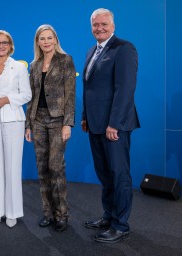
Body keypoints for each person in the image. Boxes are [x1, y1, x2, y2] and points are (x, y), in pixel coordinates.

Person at [82, 8, 140, 243]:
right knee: (105, 175)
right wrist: (85, 116)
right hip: (95, 125)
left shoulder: (123, 49)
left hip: (115, 126)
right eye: (96, 25)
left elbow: (125, 89)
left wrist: (114, 123)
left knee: (119, 175)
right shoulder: (91, 51)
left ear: (113, 26)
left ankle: (121, 224)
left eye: (104, 24)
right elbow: (90, 89)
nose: (100, 28)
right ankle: (109, 215)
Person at [25, 24, 76, 232]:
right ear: (37, 42)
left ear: (55, 39)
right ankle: (48, 212)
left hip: (57, 121)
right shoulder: (34, 65)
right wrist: (28, 124)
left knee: (56, 167)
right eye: (42, 39)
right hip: (38, 120)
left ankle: (61, 214)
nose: (46, 42)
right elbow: (32, 97)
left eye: (49, 38)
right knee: (42, 168)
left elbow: (70, 94)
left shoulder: (65, 61)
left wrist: (67, 123)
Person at [0, 30, 31, 228]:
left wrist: (7, 99)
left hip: (13, 121)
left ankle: (12, 212)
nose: (1, 46)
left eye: (5, 43)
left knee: (12, 167)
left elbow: (26, 95)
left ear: (10, 46)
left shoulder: (18, 67)